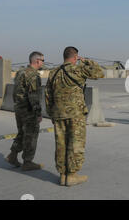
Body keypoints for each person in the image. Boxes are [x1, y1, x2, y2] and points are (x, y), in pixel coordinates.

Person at [45, 47, 104, 186]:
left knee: (61, 144)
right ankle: (72, 175)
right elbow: (99, 73)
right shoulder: (77, 70)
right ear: (75, 57)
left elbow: (47, 95)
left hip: (58, 114)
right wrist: (88, 61)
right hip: (75, 114)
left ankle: (62, 175)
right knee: (75, 143)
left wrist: (51, 113)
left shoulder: (53, 72)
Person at [5, 51, 44, 171]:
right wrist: (38, 113)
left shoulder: (20, 72)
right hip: (28, 110)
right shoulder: (33, 75)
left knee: (22, 133)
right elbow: (33, 96)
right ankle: (28, 162)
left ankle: (12, 155)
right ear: (37, 61)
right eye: (42, 60)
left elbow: (15, 91)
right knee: (31, 135)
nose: (43, 62)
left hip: (19, 108)